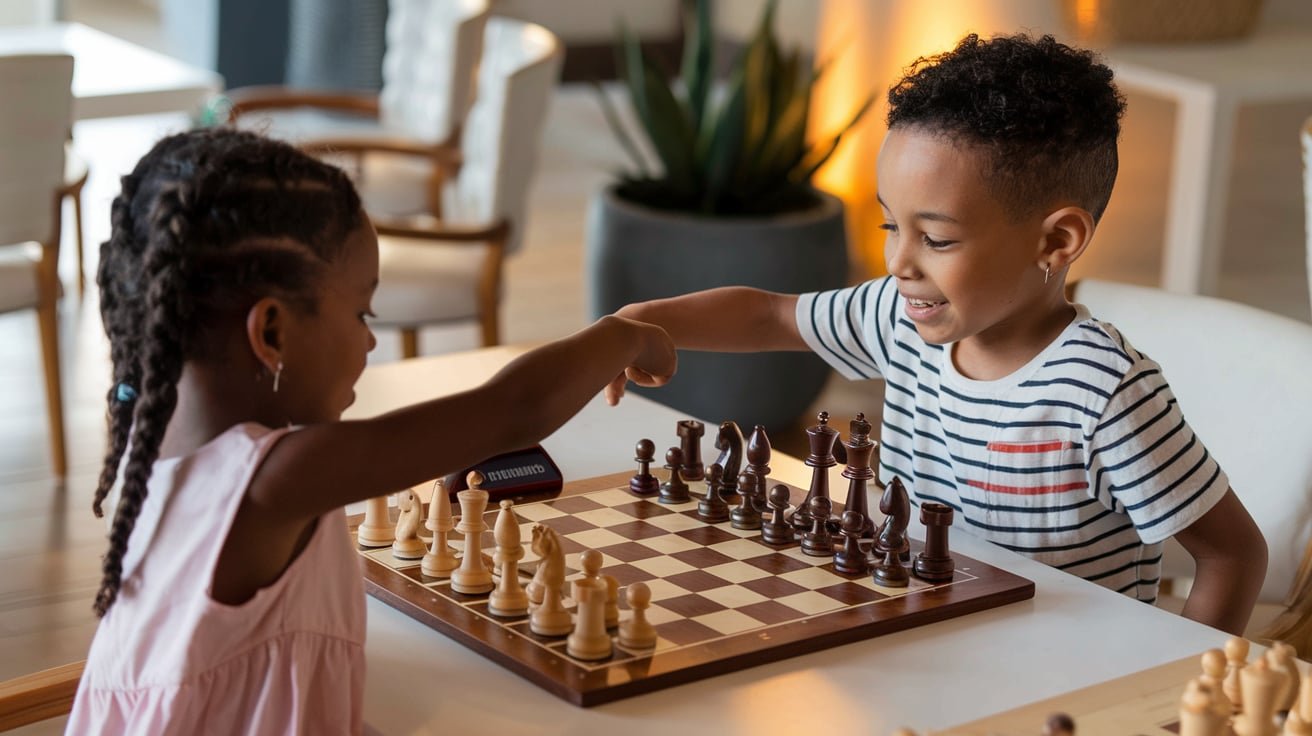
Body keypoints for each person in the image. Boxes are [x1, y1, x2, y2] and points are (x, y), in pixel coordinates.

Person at [608, 33, 1267, 635]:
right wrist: (636, 323)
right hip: (916, 635)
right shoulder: (898, 317)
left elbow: (1233, 554)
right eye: (891, 226)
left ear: (1056, 241)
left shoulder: (1103, 391)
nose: (899, 263)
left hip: (1058, 680)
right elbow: (770, 316)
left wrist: (1179, 696)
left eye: (939, 238)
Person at [67, 127, 676, 734]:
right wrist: (624, 335)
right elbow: (514, 409)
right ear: (272, 333)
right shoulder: (275, 482)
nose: (370, 339)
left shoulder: (156, 452)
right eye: (363, 312)